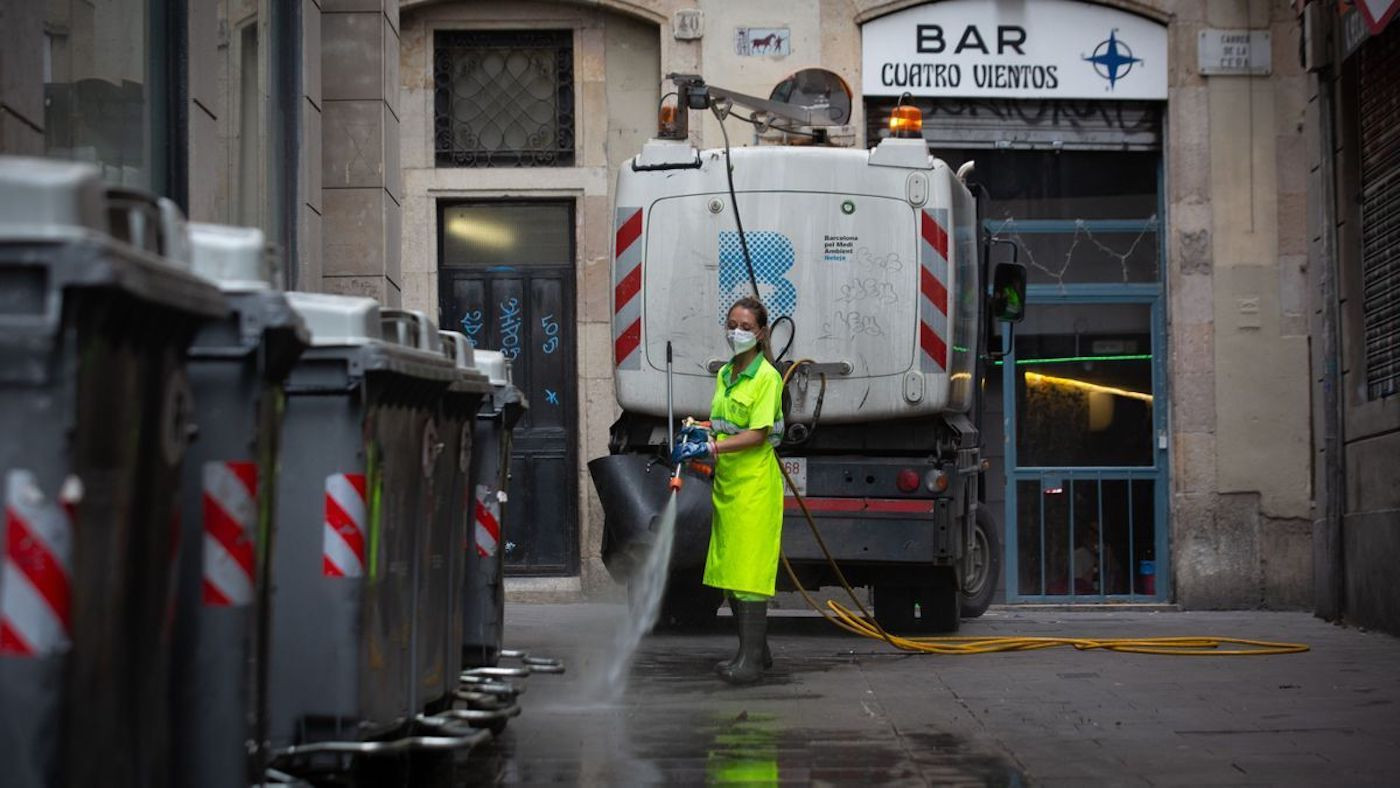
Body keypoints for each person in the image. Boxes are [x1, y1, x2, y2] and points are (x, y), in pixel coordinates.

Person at [671, 296, 785, 685]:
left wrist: (712, 447)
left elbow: (756, 433)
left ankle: (750, 662)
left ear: (761, 333)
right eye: (732, 324)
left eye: (746, 327)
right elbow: (725, 422)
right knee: (731, 567)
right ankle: (758, 652)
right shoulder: (726, 375)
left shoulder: (767, 377)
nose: (736, 332)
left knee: (748, 571)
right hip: (728, 483)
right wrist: (701, 427)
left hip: (754, 484)